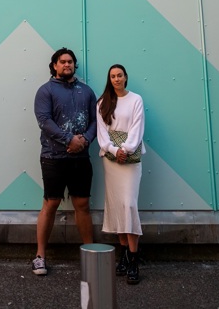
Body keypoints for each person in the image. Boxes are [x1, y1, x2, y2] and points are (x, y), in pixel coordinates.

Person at [32, 47, 97, 276]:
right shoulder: (45, 91)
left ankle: (91, 255)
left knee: (82, 206)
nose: (67, 65)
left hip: (81, 158)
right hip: (53, 158)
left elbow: (94, 122)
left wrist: (85, 141)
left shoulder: (87, 91)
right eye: (62, 62)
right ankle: (40, 256)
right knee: (51, 204)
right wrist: (70, 139)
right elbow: (44, 121)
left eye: (70, 62)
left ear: (74, 65)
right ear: (54, 66)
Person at [96, 64, 145, 285]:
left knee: (129, 205)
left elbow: (137, 128)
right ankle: (124, 255)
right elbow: (101, 133)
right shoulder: (102, 102)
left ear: (126, 77)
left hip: (130, 160)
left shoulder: (136, 100)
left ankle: (134, 259)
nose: (116, 79)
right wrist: (115, 151)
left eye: (119, 75)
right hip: (112, 161)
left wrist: (126, 149)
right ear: (110, 79)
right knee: (116, 205)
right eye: (112, 76)